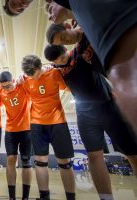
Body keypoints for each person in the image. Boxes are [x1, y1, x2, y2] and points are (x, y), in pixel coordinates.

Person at [44, 43, 137, 200]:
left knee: (132, 154)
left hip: (108, 106)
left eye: (62, 56)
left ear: (65, 50)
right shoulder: (55, 69)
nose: (62, 61)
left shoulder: (79, 53)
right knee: (94, 156)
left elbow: (85, 38)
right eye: (57, 61)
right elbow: (40, 72)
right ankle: (106, 198)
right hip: (85, 113)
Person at [48, 0, 137, 137]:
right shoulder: (81, 49)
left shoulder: (88, 25)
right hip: (119, 81)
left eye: (64, 38)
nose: (65, 42)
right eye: (61, 42)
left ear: (67, 26)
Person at [21, 55, 76, 200]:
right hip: (37, 123)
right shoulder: (26, 80)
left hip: (57, 121)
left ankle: (71, 197)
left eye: (36, 74)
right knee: (40, 161)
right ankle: (44, 196)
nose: (34, 78)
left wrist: (62, 68)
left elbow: (71, 88)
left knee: (64, 163)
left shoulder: (54, 73)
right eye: (30, 76)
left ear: (40, 67)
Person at [0, 71, 32, 200]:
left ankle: (25, 197)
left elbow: (32, 75)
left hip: (26, 129)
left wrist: (24, 75)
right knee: (11, 160)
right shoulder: (1, 93)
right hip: (11, 131)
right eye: (3, 87)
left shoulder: (22, 86)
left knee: (26, 161)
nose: (6, 89)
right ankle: (12, 197)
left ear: (13, 81)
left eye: (8, 86)